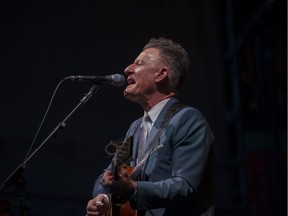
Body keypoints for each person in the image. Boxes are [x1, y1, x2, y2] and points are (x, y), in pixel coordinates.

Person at [86, 37, 214, 216]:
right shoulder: (136, 127)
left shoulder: (187, 120)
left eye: (139, 63)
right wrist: (103, 200)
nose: (127, 69)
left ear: (160, 74)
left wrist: (132, 188)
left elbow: (186, 186)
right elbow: (107, 176)